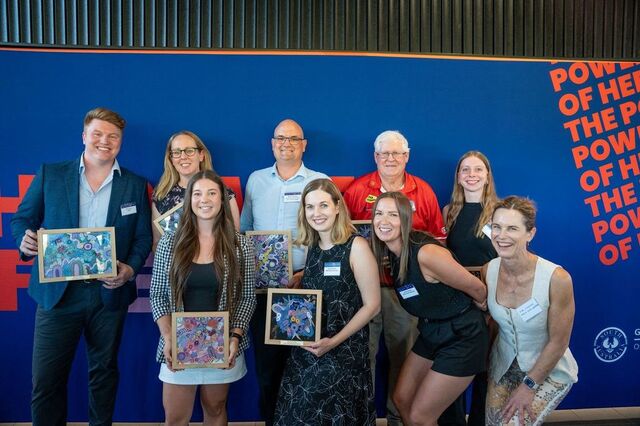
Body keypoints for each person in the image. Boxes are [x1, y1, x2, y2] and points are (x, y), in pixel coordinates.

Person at [11, 107, 152, 425]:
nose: (105, 141)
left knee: (104, 374)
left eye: (113, 136)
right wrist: (24, 240)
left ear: (121, 142)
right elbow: (22, 219)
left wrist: (129, 269)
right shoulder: (51, 174)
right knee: (46, 380)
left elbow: (143, 237)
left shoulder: (134, 184)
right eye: (98, 134)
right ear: (84, 136)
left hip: (108, 295)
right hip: (58, 294)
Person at [343, 130, 446, 425]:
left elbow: (439, 241)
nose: (391, 159)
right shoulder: (357, 191)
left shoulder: (423, 191)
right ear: (375, 156)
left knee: (406, 358)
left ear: (407, 156)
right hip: (364, 290)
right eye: (385, 153)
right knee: (362, 357)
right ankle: (362, 417)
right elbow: (343, 238)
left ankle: (398, 418)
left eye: (397, 153)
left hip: (408, 291)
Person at [371, 191, 488, 426]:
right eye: (379, 213)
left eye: (393, 214)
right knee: (402, 399)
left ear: (405, 219)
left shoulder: (426, 253)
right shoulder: (392, 253)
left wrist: (483, 315)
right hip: (431, 332)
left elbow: (477, 288)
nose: (384, 221)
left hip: (462, 335)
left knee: (420, 416)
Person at [150, 170, 256, 425]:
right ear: (189, 200)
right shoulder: (169, 243)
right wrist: (169, 338)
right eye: (197, 193)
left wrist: (234, 337)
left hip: (223, 344)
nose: (204, 199)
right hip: (178, 345)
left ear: (222, 199)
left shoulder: (240, 244)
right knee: (175, 417)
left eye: (212, 193)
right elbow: (158, 295)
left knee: (216, 409)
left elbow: (247, 297)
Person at [240, 118, 328, 425]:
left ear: (304, 145)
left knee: (306, 366)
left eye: (293, 139)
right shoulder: (256, 180)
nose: (286, 143)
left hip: (305, 285)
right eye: (280, 138)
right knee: (268, 369)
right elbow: (245, 230)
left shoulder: (319, 181)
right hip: (263, 290)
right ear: (272, 143)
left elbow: (329, 237)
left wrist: (306, 274)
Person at [274, 178, 381, 425]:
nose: (316, 213)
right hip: (308, 349)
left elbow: (373, 305)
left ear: (337, 207)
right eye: (310, 207)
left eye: (323, 205)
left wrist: (333, 342)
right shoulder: (313, 246)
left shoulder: (357, 246)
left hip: (343, 351)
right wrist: (300, 278)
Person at [484, 196, 578, 426]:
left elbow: (559, 342)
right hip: (503, 365)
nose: (501, 235)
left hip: (548, 369)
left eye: (512, 228)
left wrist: (528, 387)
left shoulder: (557, 278)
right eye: (496, 227)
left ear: (530, 234)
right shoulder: (489, 270)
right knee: (493, 423)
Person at [442, 151, 498, 425]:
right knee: (453, 366)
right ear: (458, 176)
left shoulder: (499, 211)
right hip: (456, 300)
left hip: (491, 299)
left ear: (487, 176)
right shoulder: (449, 212)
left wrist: (488, 299)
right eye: (465, 170)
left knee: (486, 368)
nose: (472, 175)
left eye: (478, 169)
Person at [152, 130, 240, 249]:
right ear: (171, 159)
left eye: (189, 151)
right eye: (176, 152)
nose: (183, 157)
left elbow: (234, 239)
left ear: (201, 155)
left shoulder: (224, 192)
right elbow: (157, 243)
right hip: (176, 260)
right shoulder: (161, 195)